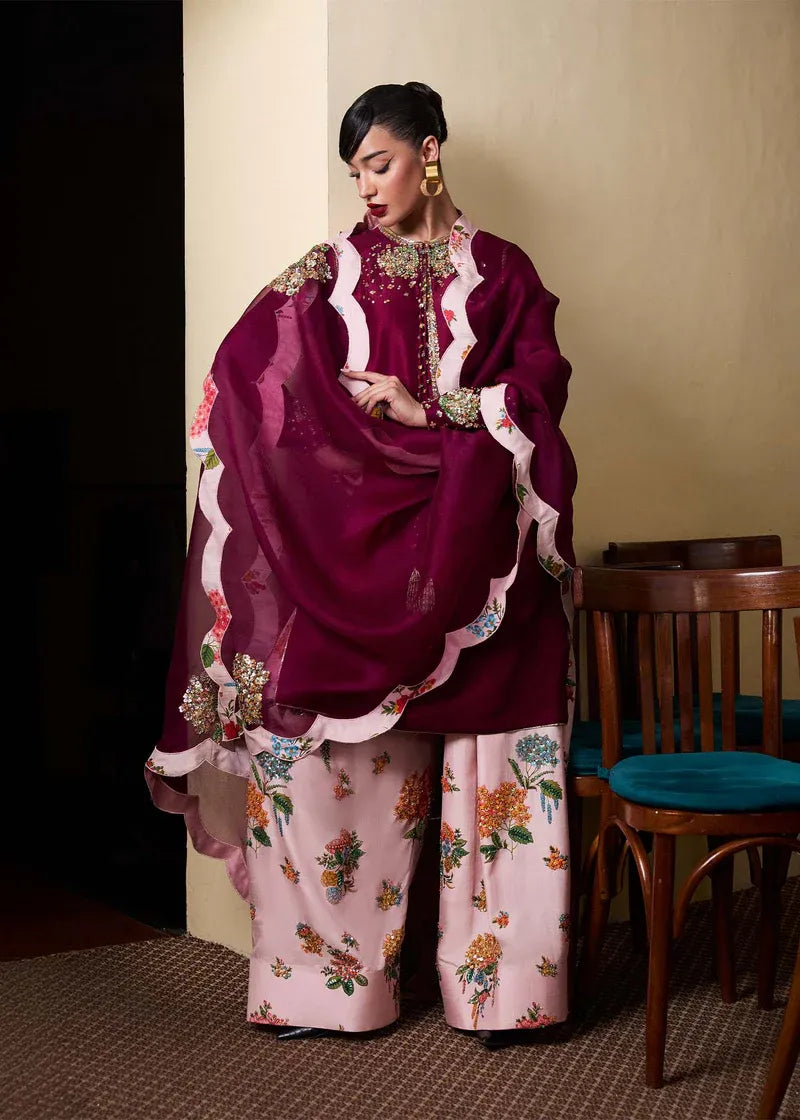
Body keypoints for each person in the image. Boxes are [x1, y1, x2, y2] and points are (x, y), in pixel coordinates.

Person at [146, 81, 577, 1047]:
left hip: (484, 555)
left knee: (501, 766)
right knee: (319, 755)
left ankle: (505, 992)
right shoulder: (332, 271)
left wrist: (437, 414)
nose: (367, 188)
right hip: (362, 555)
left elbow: (540, 394)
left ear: (430, 152)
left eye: (379, 164)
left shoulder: (504, 272)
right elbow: (251, 377)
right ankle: (327, 990)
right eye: (355, 173)